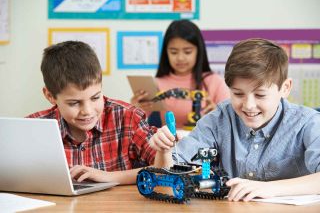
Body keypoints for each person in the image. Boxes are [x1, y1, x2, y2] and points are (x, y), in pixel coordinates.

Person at [149, 38, 320, 201]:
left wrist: (270, 188)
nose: (249, 105)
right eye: (238, 94)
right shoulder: (219, 119)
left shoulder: (307, 123)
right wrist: (164, 150)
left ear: (285, 88)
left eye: (260, 95)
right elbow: (167, 179)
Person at [27, 41, 156, 185]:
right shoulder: (32, 127)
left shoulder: (128, 118)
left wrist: (109, 177)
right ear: (50, 96)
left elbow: (164, 168)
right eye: (74, 103)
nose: (87, 111)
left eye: (95, 98)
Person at [130, 19, 229, 128]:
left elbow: (231, 123)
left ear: (199, 51)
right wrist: (134, 109)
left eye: (187, 52)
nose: (180, 58)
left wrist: (218, 114)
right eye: (173, 52)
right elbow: (137, 125)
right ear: (166, 52)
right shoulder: (155, 84)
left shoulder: (214, 82)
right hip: (168, 143)